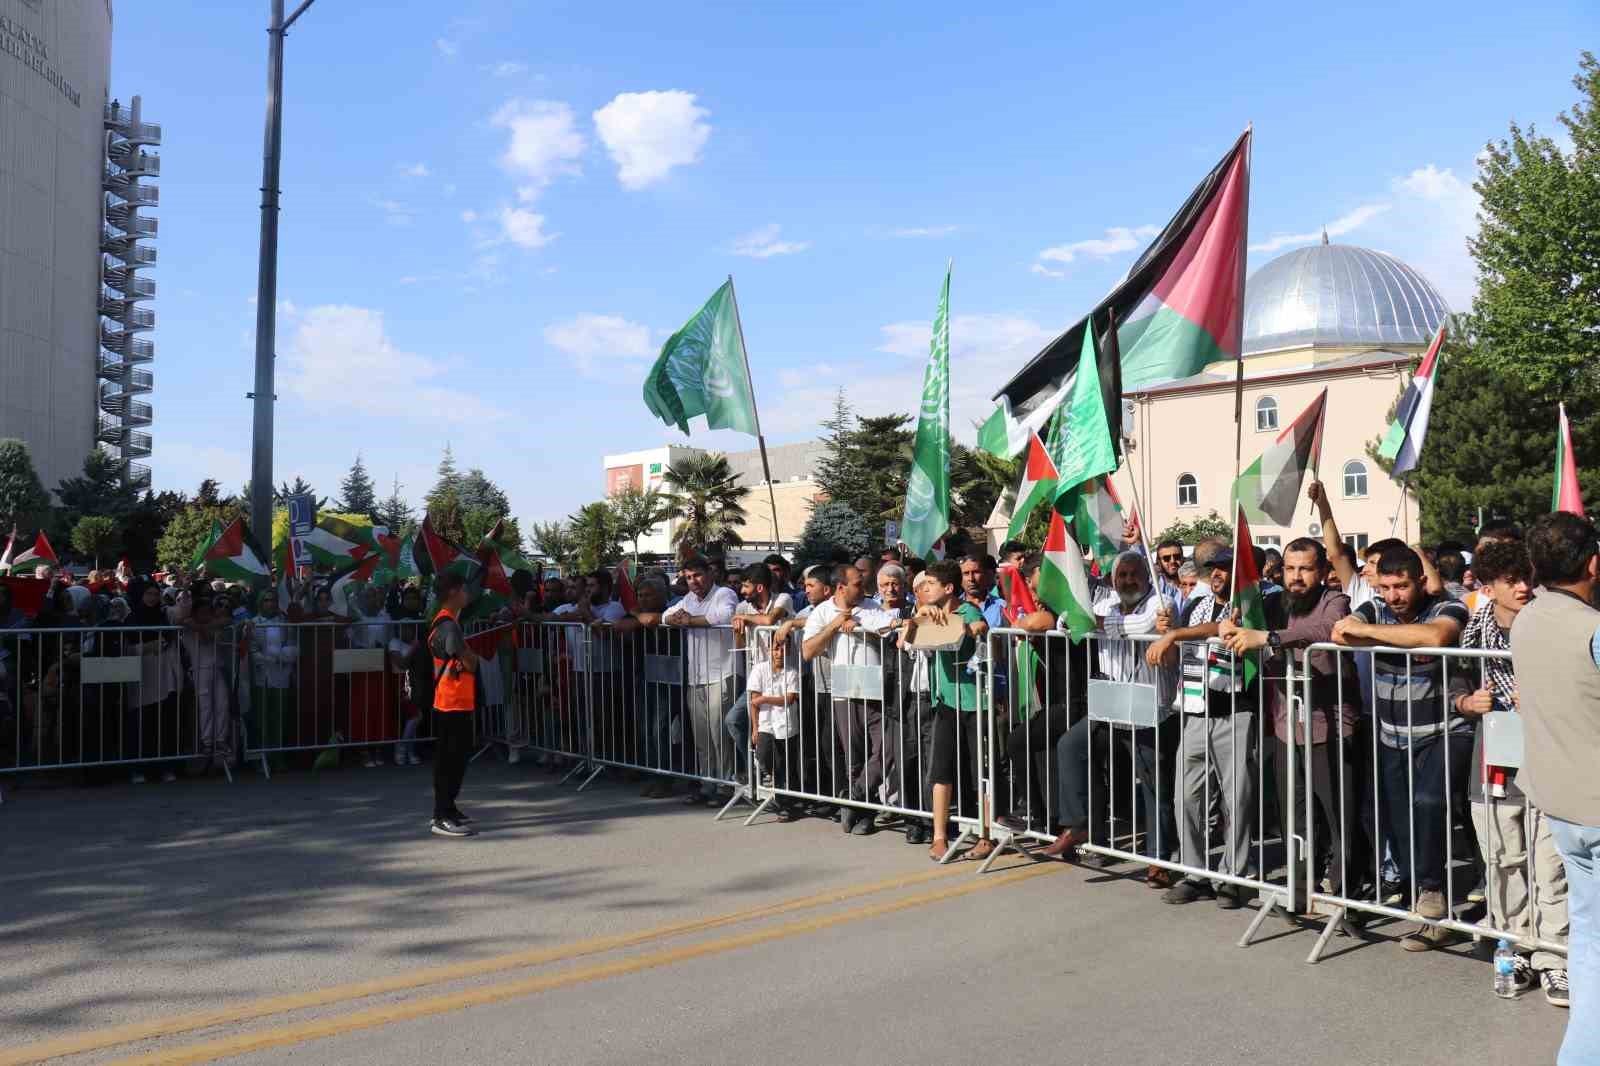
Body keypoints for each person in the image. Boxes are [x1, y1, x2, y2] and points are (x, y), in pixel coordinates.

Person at [1450, 537, 1568, 1005]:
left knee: (1549, 864)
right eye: (1510, 580)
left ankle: (1554, 958)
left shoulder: (1550, 623)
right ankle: (1514, 947)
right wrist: (1465, 702)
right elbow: (1454, 687)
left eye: (1527, 577)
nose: (1522, 587)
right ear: (1488, 586)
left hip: (1549, 760)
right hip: (1494, 760)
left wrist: (1544, 697)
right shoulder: (1473, 631)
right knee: (1502, 859)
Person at [1332, 544, 1471, 932]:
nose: (1393, 597)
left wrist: (1375, 634)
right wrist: (1394, 635)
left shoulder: (1448, 605)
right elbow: (1341, 633)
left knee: (1429, 802)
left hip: (1446, 728)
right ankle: (1430, 909)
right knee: (1400, 821)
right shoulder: (1376, 607)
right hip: (1392, 733)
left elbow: (1437, 636)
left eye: (1402, 587)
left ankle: (1434, 889)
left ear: (1421, 583)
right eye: (1386, 587)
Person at [1221, 537, 1364, 908]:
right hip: (1286, 728)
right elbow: (1241, 624)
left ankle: (1347, 894)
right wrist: (1230, 625)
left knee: (1339, 818)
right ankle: (1301, 887)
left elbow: (1328, 631)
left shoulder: (1336, 600)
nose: (1296, 576)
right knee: (1295, 816)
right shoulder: (1271, 603)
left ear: (1322, 572)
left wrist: (1269, 637)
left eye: (1305, 568)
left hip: (1331, 728)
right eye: (1289, 568)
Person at [1513, 513, 1600, 1058]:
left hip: (1562, 803)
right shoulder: (1591, 629)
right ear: (1593, 563)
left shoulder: (1528, 617)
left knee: (1589, 941)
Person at [1147, 548, 1274, 908]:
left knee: (1237, 798)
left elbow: (1220, 631)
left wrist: (1176, 634)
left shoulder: (1249, 606)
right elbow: (1177, 655)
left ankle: (1233, 876)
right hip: (1194, 711)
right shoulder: (1196, 605)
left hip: (1235, 711)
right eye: (1213, 569)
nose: (1217, 574)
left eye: (1224, 568)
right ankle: (1195, 873)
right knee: (1186, 797)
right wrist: (1167, 636)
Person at [1042, 553, 1178, 885]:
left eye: (1134, 575)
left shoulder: (1163, 602)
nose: (1128, 581)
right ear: (1113, 580)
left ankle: (1160, 858)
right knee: (1070, 745)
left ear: (1147, 576)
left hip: (1150, 708)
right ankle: (1079, 823)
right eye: (1122, 576)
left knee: (1152, 784)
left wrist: (1091, 622)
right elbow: (1063, 621)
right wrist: (1088, 621)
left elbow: (1143, 625)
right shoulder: (1109, 605)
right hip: (1111, 703)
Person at [902, 560, 993, 862]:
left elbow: (975, 630)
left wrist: (971, 628)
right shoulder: (928, 614)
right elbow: (907, 641)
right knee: (940, 770)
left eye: (930, 584)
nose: (924, 589)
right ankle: (939, 836)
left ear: (948, 589)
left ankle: (985, 835)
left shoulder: (967, 611)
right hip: (944, 703)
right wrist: (920, 615)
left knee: (980, 772)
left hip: (974, 703)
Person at [803, 563, 899, 834]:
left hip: (875, 687)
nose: (864, 587)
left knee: (887, 747)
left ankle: (853, 794)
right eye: (857, 583)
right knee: (853, 756)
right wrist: (835, 625)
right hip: (845, 687)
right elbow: (808, 651)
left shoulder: (871, 607)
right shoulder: (822, 611)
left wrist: (860, 625)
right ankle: (863, 813)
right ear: (841, 587)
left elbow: (888, 631)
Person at [663, 555, 739, 807]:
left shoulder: (724, 593)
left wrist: (689, 621)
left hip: (722, 673)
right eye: (688, 577)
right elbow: (665, 616)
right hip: (695, 676)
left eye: (697, 575)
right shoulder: (687, 599)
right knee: (702, 737)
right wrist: (675, 619)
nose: (693, 581)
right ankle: (707, 784)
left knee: (720, 735)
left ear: (709, 574)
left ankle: (725, 785)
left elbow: (724, 617)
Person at [725, 564, 796, 781]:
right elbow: (740, 644)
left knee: (782, 734)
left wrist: (746, 620)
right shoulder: (742, 608)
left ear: (759, 588)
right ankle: (758, 771)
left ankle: (783, 783)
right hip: (758, 679)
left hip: (784, 678)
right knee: (734, 720)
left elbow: (769, 621)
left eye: (746, 586)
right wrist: (738, 626)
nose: (741, 590)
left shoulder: (782, 599)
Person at [429, 571, 479, 838]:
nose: (467, 594)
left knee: (453, 758)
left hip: (452, 701)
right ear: (452, 593)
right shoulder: (448, 626)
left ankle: (449, 807)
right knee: (451, 760)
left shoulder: (446, 621)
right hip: (452, 701)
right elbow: (468, 660)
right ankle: (442, 814)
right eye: (463, 589)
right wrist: (473, 658)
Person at [748, 635, 802, 820]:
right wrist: (755, 729)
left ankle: (784, 804)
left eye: (783, 648)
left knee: (785, 765)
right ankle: (771, 784)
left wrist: (765, 699)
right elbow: (753, 702)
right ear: (769, 650)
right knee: (763, 756)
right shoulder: (759, 670)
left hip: (786, 724)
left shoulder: (792, 672)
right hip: (765, 724)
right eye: (776, 648)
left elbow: (789, 698)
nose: (779, 652)